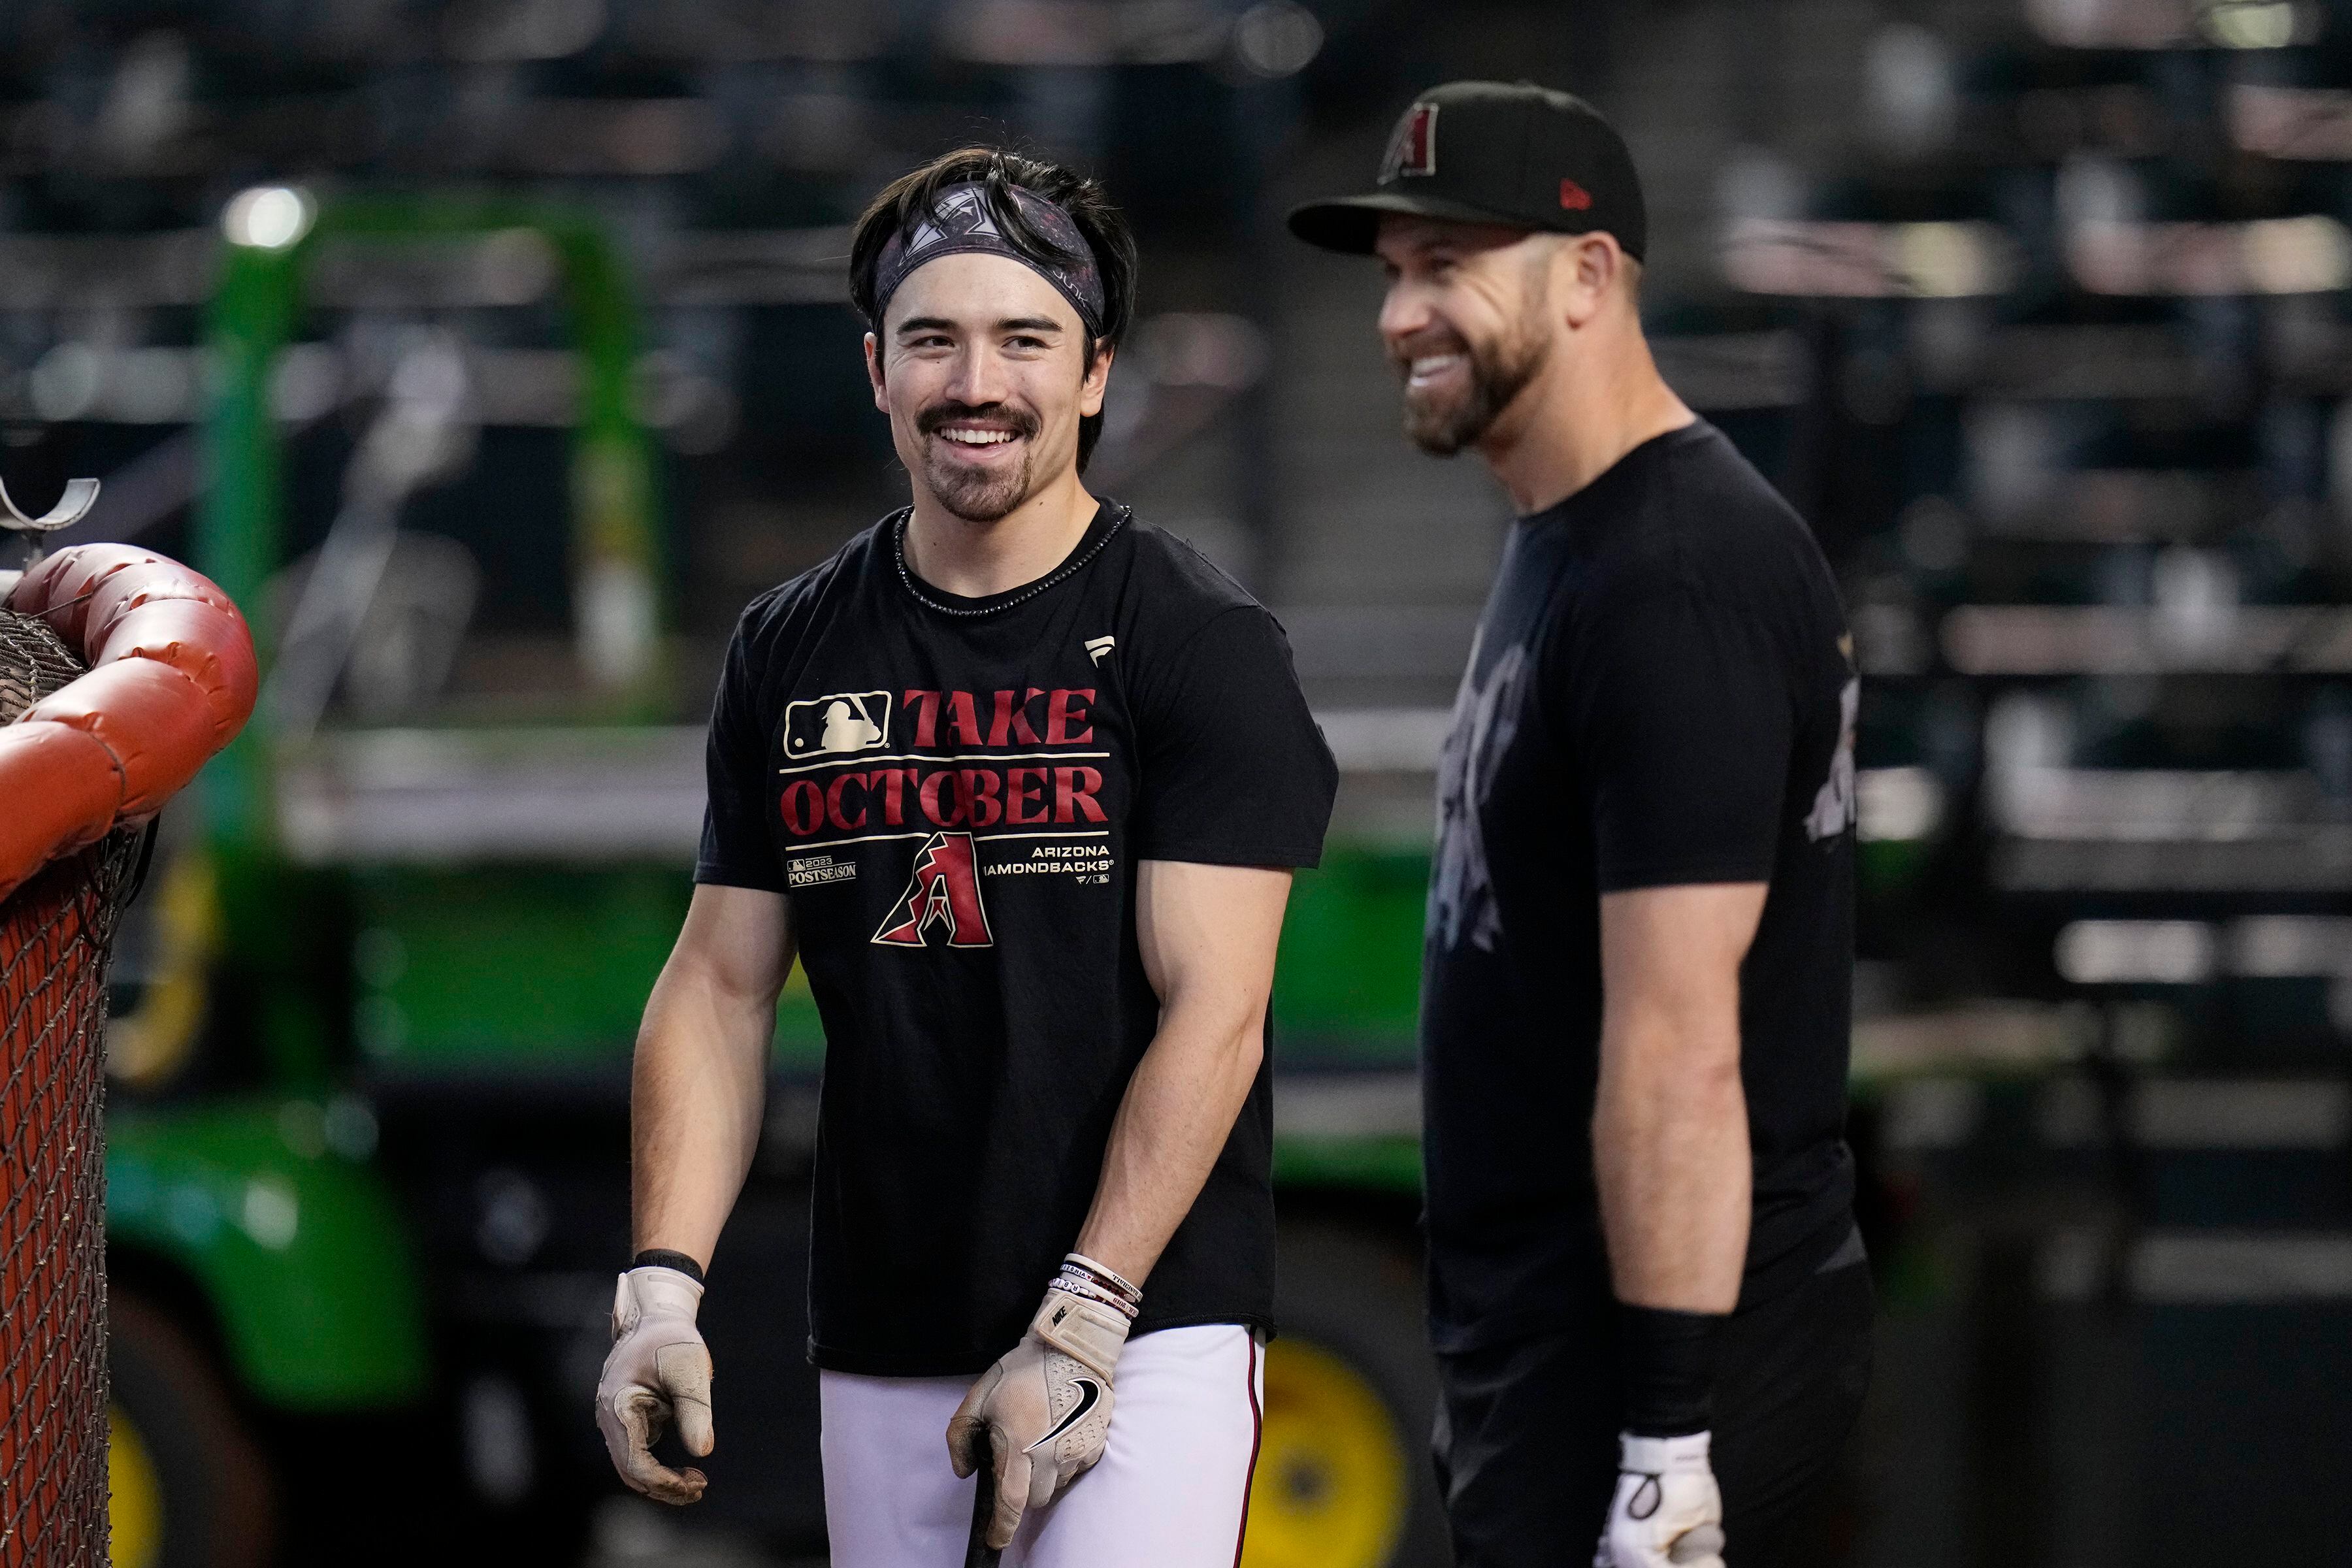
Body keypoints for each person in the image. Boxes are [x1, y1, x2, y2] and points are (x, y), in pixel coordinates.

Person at [595, 146, 1337, 1568]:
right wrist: (660, 1295)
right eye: (934, 339)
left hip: (1145, 1327)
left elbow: (1218, 1012)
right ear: (878, 371)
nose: (975, 381)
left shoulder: (1197, 640)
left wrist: (1086, 1313)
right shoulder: (790, 647)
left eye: (1024, 339)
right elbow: (719, 986)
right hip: (887, 1326)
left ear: (1098, 373)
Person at [1290, 81, 1872, 1568]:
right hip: (1550, 1345)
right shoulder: (1573, 534)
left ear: (1591, 278)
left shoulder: (1678, 576)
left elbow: (1683, 1043)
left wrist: (1666, 1448)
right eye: (1393, 275)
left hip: (1655, 1368)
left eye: (1450, 267)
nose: (1400, 315)